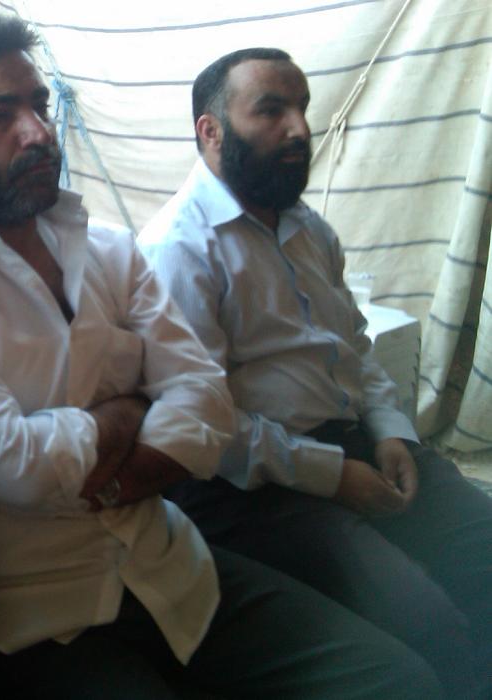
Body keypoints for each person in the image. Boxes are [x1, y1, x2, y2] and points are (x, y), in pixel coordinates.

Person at [0, 13, 443, 700]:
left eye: (39, 105)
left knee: (399, 681)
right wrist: (134, 408)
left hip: (171, 564)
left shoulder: (107, 247)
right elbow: (19, 467)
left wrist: (108, 465)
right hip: (36, 613)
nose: (37, 132)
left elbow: (207, 405)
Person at [138, 47, 492, 699]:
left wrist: (391, 431)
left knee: (482, 550)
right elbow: (202, 426)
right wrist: (334, 477)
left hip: (352, 444)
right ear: (210, 131)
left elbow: (353, 347)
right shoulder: (178, 249)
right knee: (423, 620)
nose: (299, 128)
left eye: (301, 108)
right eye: (271, 110)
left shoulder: (308, 229)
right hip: (248, 488)